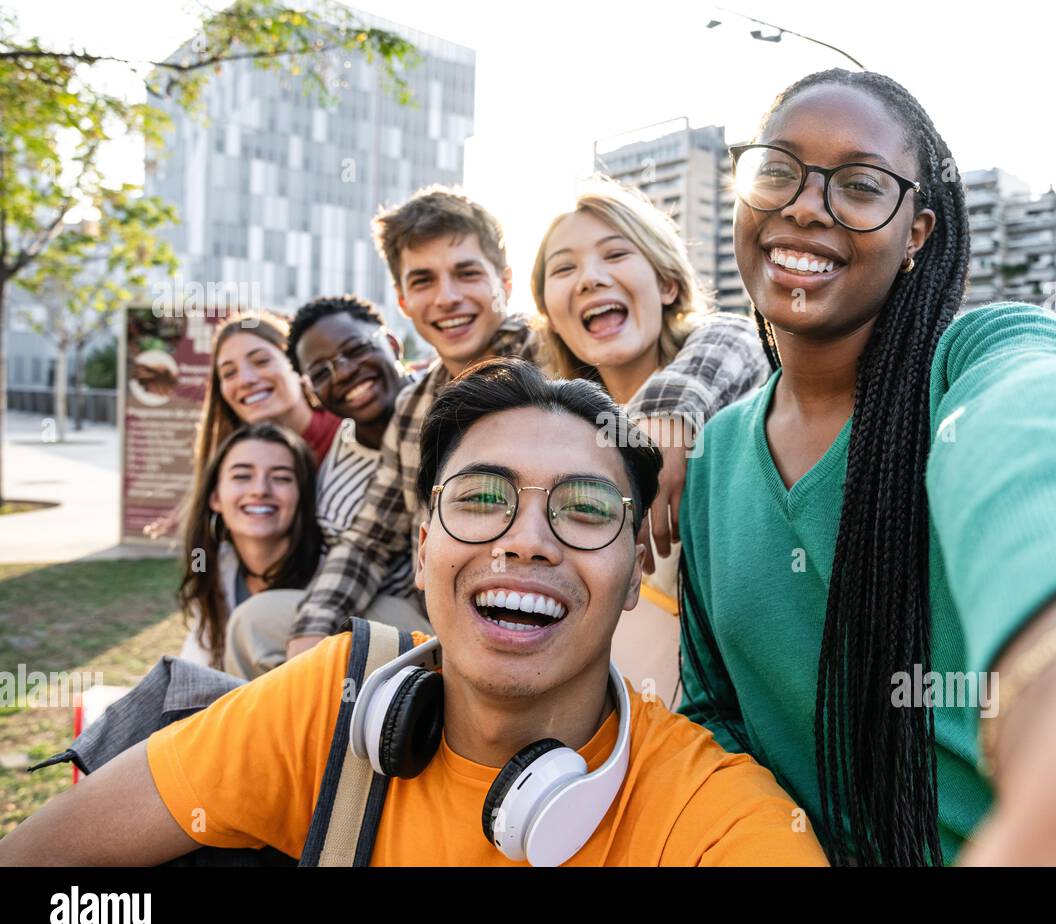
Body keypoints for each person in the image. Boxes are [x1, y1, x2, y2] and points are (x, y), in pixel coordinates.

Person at [676, 68, 1056, 866]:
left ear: (918, 234)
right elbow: (714, 715)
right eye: (778, 170)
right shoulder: (712, 455)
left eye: (862, 186)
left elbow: (1045, 426)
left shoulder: (973, 359)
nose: (805, 204)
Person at [0, 358, 829, 867]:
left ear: (637, 557)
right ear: (425, 539)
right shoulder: (328, 702)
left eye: (582, 509)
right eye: (481, 499)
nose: (526, 541)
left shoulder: (714, 818)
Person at [281, 184, 777, 672]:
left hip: (586, 612)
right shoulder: (416, 407)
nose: (448, 298)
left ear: (507, 282)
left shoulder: (551, 367)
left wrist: (663, 415)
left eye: (466, 273)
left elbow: (726, 334)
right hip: (462, 604)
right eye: (424, 281)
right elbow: (368, 539)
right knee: (287, 638)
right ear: (403, 300)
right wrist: (312, 627)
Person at [531, 177, 767, 704]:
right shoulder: (561, 422)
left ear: (666, 284)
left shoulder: (725, 368)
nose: (590, 278)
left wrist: (662, 420)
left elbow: (735, 338)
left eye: (615, 254)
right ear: (550, 313)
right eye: (564, 268)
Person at [219, 294, 425, 679]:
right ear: (311, 387)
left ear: (392, 344)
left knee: (258, 625)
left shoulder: (437, 412)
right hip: (359, 606)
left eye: (355, 349)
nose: (344, 372)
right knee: (252, 628)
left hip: (424, 615)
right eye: (323, 371)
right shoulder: (337, 456)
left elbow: (369, 546)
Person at [143, 311, 341, 539]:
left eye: (261, 361)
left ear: (296, 364)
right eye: (229, 373)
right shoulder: (231, 467)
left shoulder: (352, 436)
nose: (246, 379)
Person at [178, 422, 323, 670]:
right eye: (242, 476)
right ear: (215, 497)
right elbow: (195, 666)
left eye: (281, 478)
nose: (260, 490)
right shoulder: (212, 565)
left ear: (302, 496)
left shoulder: (329, 574)